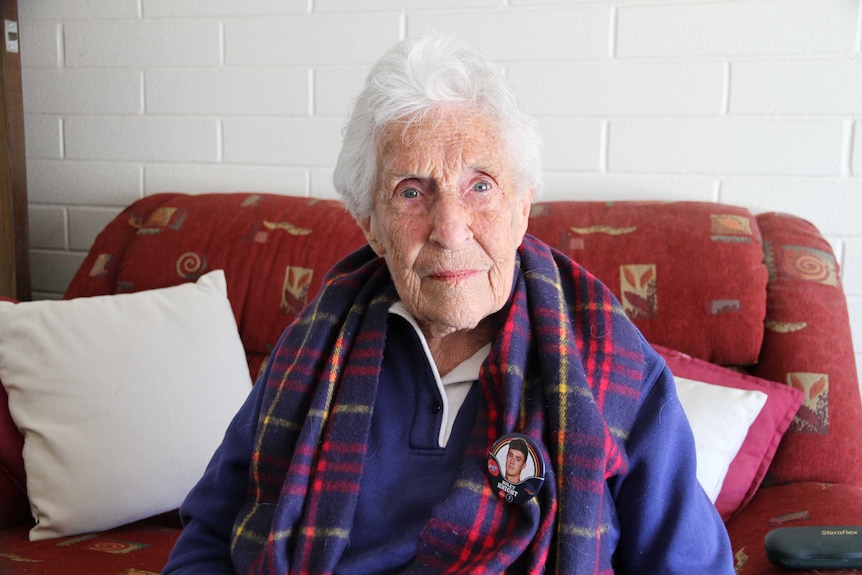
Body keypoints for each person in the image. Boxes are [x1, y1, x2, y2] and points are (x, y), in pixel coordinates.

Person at [162, 33, 735, 574]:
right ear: (371, 227)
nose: (451, 229)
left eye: (480, 185)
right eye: (411, 191)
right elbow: (211, 531)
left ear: (522, 207)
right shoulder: (313, 348)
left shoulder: (617, 370)